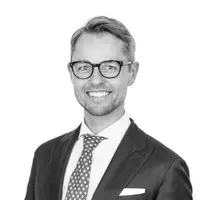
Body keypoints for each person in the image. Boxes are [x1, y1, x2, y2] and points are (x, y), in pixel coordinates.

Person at [24, 16, 193, 200]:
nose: (96, 80)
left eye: (110, 67)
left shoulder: (165, 167)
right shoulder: (45, 156)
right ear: (71, 74)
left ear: (132, 73)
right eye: (83, 67)